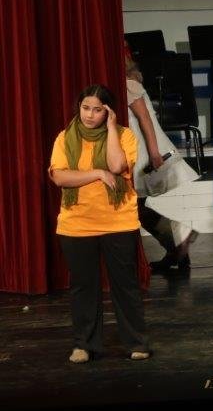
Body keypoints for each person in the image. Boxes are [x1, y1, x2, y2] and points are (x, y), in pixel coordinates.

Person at [48, 85, 150, 363]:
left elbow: (117, 166)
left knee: (125, 286)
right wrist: (96, 172)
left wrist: (113, 129)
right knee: (83, 288)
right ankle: (84, 344)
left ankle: (136, 343)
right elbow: (60, 177)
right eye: (85, 108)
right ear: (78, 107)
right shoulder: (64, 138)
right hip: (76, 224)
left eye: (97, 110)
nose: (90, 115)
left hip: (118, 221)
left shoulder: (125, 137)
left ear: (108, 112)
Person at [125, 57, 199, 273]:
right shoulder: (129, 83)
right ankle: (177, 247)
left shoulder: (129, 85)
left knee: (135, 207)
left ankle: (179, 239)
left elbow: (145, 120)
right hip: (139, 149)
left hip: (142, 152)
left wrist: (154, 153)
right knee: (136, 207)